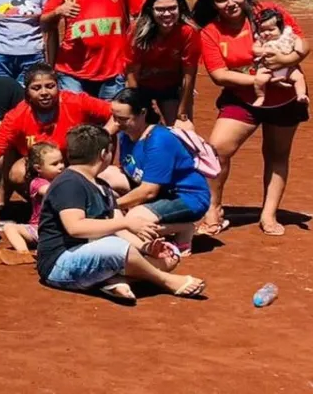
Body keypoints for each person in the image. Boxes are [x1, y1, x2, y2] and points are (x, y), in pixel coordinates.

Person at [192, 0, 309, 237]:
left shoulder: (268, 12)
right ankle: (213, 210)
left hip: (285, 97)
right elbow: (219, 74)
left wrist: (283, 61)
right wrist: (258, 81)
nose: (230, 3)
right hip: (243, 99)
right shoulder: (211, 31)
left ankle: (268, 215)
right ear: (213, 4)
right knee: (217, 150)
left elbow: (303, 44)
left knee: (277, 154)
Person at [37, 124, 205, 301]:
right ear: (104, 154)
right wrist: (126, 222)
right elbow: (75, 228)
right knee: (115, 247)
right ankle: (165, 280)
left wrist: (147, 248)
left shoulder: (103, 187)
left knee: (168, 258)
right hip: (59, 265)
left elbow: (119, 230)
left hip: (94, 254)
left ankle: (112, 280)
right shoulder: (69, 183)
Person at [0, 63, 121, 207]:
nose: (44, 92)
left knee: (114, 180)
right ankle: (46, 205)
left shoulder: (76, 102)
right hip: (42, 172)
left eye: (50, 86)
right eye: (36, 88)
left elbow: (118, 112)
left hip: (79, 165)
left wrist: (100, 137)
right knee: (17, 171)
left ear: (58, 87)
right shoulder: (16, 116)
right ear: (27, 92)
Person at [110, 89, 210, 256]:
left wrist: (110, 206)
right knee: (106, 176)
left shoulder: (159, 141)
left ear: (142, 113)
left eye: (123, 119)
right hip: (160, 191)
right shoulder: (126, 135)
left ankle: (183, 228)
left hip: (187, 198)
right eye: (114, 117)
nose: (116, 123)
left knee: (133, 221)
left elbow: (149, 191)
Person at [125, 0, 200, 123]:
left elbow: (189, 74)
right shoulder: (137, 31)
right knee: (141, 126)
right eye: (160, 9)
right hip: (142, 86)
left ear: (180, 7)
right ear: (150, 10)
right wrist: (137, 105)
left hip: (171, 87)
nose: (167, 14)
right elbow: (132, 72)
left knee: (179, 128)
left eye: (172, 8)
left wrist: (183, 110)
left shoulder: (188, 32)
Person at [0, 142, 63, 266]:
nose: (61, 166)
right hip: (38, 229)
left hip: (58, 231)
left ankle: (46, 251)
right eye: (55, 164)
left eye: (61, 162)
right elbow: (48, 191)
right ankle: (24, 253)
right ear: (38, 168)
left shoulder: (64, 179)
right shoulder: (37, 182)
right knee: (9, 227)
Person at [251, 8, 307, 107]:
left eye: (271, 29)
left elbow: (297, 39)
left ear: (280, 28)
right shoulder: (261, 39)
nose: (266, 33)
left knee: (299, 77)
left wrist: (298, 47)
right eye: (263, 30)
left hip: (288, 67)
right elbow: (255, 48)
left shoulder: (287, 34)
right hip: (267, 68)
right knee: (259, 80)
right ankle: (260, 96)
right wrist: (262, 51)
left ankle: (301, 94)